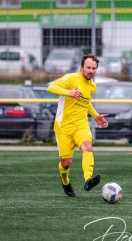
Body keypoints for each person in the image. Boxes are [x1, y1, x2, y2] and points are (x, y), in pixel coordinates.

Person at [47, 54, 108, 197]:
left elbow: (86, 103)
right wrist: (69, 92)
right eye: (88, 67)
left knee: (87, 146)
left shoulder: (92, 86)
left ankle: (88, 179)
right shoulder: (71, 78)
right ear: (81, 68)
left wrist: (96, 116)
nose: (91, 71)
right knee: (66, 163)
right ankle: (65, 181)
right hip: (64, 127)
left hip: (81, 125)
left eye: (94, 68)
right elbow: (51, 88)